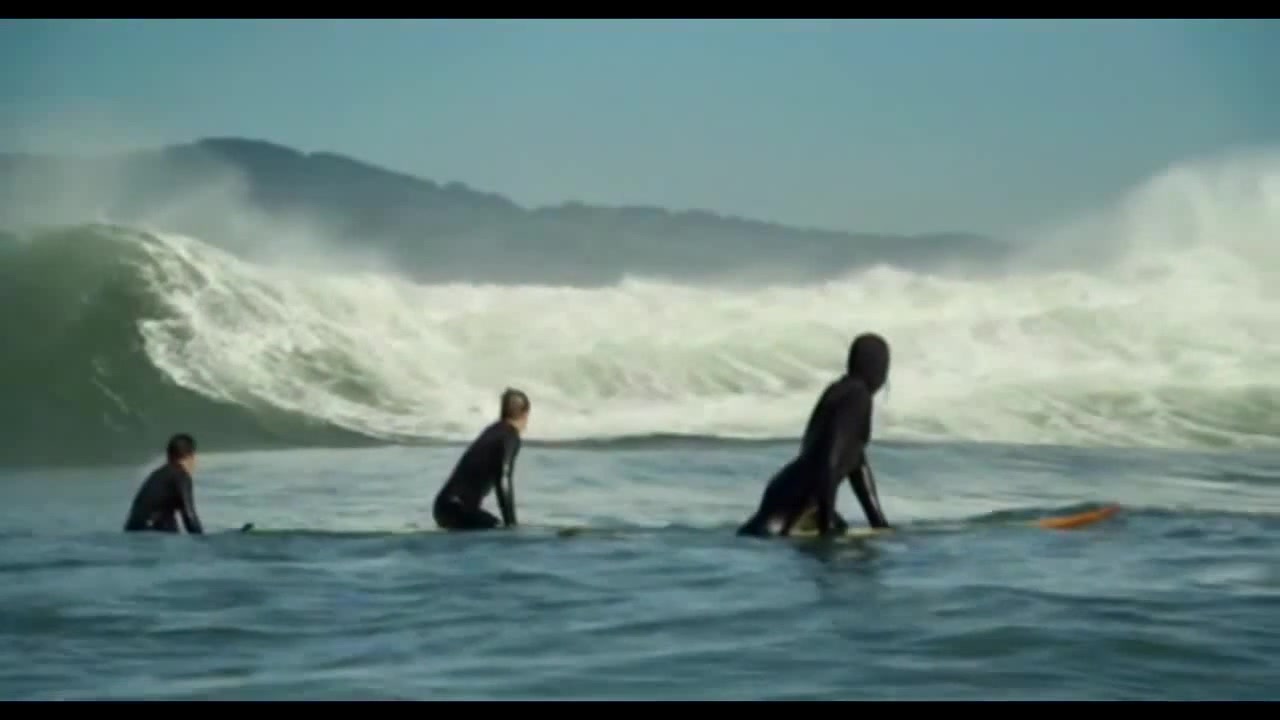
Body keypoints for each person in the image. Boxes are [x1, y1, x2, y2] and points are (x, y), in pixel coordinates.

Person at [737, 332, 892, 538]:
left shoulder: (839, 390)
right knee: (823, 532)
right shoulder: (858, 397)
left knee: (838, 528)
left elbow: (856, 462)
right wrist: (825, 528)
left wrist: (879, 524)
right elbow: (830, 460)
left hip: (787, 491)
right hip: (797, 503)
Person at [433, 388, 529, 531]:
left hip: (445, 506)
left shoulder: (493, 430)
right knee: (497, 529)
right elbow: (503, 478)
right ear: (525, 414)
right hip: (457, 508)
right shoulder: (510, 436)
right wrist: (511, 525)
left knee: (491, 527)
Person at [123, 433, 204, 534]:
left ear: (168, 456)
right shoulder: (181, 475)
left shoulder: (158, 474)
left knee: (168, 519)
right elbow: (189, 516)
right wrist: (203, 540)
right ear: (191, 456)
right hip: (151, 534)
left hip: (132, 532)